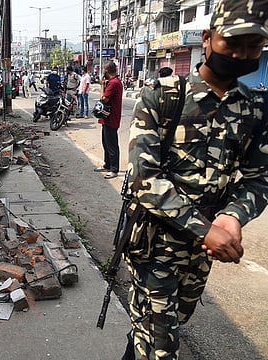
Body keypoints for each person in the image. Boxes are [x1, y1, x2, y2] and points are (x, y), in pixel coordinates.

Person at [122, 1, 268, 359]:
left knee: (164, 327)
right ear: (207, 39)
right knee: (161, 346)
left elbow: (258, 178)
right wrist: (206, 230)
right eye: (232, 43)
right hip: (155, 244)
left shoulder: (254, 108)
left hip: (202, 254)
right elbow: (144, 178)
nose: (241, 54)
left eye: (253, 46)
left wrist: (232, 217)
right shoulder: (165, 95)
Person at [94, 61, 123, 179]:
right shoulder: (113, 82)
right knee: (105, 142)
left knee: (111, 144)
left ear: (106, 72)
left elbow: (104, 99)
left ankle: (114, 169)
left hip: (111, 118)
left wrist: (102, 85)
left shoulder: (113, 83)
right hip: (107, 118)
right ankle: (107, 164)